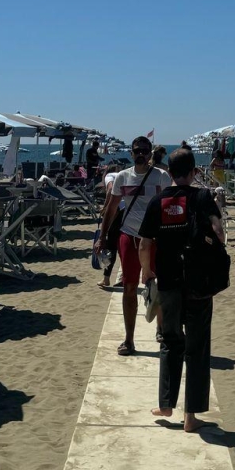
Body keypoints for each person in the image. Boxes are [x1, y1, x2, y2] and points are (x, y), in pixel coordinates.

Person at [138, 148, 224, 432]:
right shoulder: (201, 197)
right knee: (197, 347)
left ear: (170, 172)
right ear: (193, 171)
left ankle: (165, 404)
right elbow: (219, 231)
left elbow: (145, 242)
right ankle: (191, 415)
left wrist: (147, 271)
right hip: (198, 282)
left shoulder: (157, 201)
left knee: (171, 341)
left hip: (169, 281)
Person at [95, 136, 171, 355]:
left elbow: (170, 206)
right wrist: (102, 237)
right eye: (137, 150)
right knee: (129, 287)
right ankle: (129, 339)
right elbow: (110, 209)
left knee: (157, 286)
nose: (141, 154)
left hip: (155, 239)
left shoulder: (161, 177)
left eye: (145, 151)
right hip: (129, 236)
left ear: (150, 154)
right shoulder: (123, 177)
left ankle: (160, 328)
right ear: (131, 153)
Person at [98, 163, 122, 290]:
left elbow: (109, 191)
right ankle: (123, 277)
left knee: (112, 245)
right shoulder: (123, 175)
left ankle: (106, 278)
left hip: (117, 210)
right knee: (124, 245)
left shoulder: (109, 176)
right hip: (128, 211)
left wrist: (106, 208)